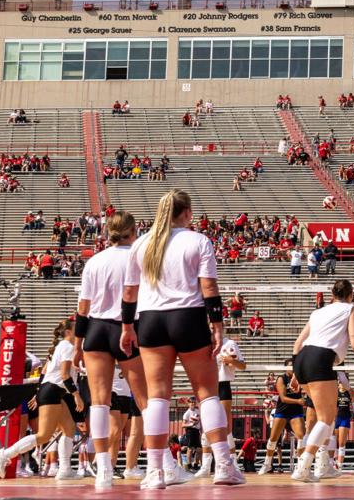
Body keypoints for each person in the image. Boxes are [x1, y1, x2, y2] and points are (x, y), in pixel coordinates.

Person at [118, 189, 243, 487]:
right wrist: (217, 325)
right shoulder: (198, 240)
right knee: (207, 392)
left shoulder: (142, 244)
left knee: (158, 395)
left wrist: (126, 327)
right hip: (188, 317)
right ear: (186, 212)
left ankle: (155, 471)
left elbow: (129, 293)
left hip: (151, 321)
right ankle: (224, 466)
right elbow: (209, 288)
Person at [64, 211, 148, 489]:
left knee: (99, 402)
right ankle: (161, 464)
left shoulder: (95, 261)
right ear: (132, 231)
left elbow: (82, 309)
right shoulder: (138, 258)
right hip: (127, 328)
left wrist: (77, 345)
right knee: (146, 398)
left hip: (96, 330)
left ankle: (103, 470)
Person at [288, 278, 354, 482]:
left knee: (328, 416)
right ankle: (304, 466)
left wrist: (296, 373)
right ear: (351, 295)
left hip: (302, 358)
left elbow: (298, 342)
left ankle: (323, 465)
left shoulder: (318, 312)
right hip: (320, 359)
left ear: (332, 295)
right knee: (325, 418)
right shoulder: (350, 309)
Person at [0, 322, 82, 481]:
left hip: (53, 391)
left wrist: (39, 392)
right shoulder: (68, 346)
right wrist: (76, 395)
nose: (81, 329)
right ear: (69, 332)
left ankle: (65, 469)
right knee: (43, 435)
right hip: (53, 391)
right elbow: (64, 375)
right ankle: (5, 454)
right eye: (77, 327)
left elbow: (46, 371)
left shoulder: (63, 346)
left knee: (69, 428)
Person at [196, 332, 245, 477]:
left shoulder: (229, 343)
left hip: (222, 384)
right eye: (208, 327)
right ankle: (206, 465)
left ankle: (232, 462)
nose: (211, 329)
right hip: (206, 385)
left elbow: (242, 365)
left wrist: (231, 361)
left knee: (224, 425)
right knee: (206, 425)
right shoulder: (202, 344)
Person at [258, 361, 307, 474]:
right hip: (282, 411)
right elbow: (283, 398)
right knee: (273, 438)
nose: (293, 368)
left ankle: (300, 466)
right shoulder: (281, 378)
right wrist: (298, 401)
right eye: (290, 366)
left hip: (295, 412)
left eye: (294, 366)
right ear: (286, 368)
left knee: (301, 436)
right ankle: (267, 464)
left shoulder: (299, 377)